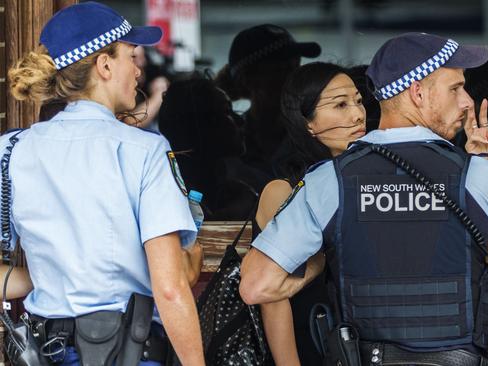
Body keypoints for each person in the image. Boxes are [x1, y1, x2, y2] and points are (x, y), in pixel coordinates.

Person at [240, 32, 488, 365]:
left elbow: (257, 287)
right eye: (455, 88)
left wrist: (326, 255)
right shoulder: (477, 174)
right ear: (417, 93)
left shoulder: (327, 181)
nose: (468, 101)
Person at [4, 2, 204, 365]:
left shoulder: (12, 149)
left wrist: (53, 273)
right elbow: (171, 287)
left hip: (50, 351)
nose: (138, 70)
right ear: (105, 65)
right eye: (131, 55)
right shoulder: (144, 149)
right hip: (131, 351)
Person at [254, 62, 365, 366]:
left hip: (360, 345)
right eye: (340, 105)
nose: (357, 114)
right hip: (309, 344)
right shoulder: (284, 190)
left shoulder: (366, 183)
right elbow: (273, 298)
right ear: (307, 123)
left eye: (358, 101)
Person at [216, 24, 322, 182]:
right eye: (281, 70)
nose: (294, 78)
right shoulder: (226, 142)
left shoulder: (316, 135)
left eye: (296, 67)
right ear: (247, 80)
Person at [158, 77, 263, 220]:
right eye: (226, 112)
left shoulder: (240, 192)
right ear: (202, 127)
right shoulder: (173, 199)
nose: (240, 119)